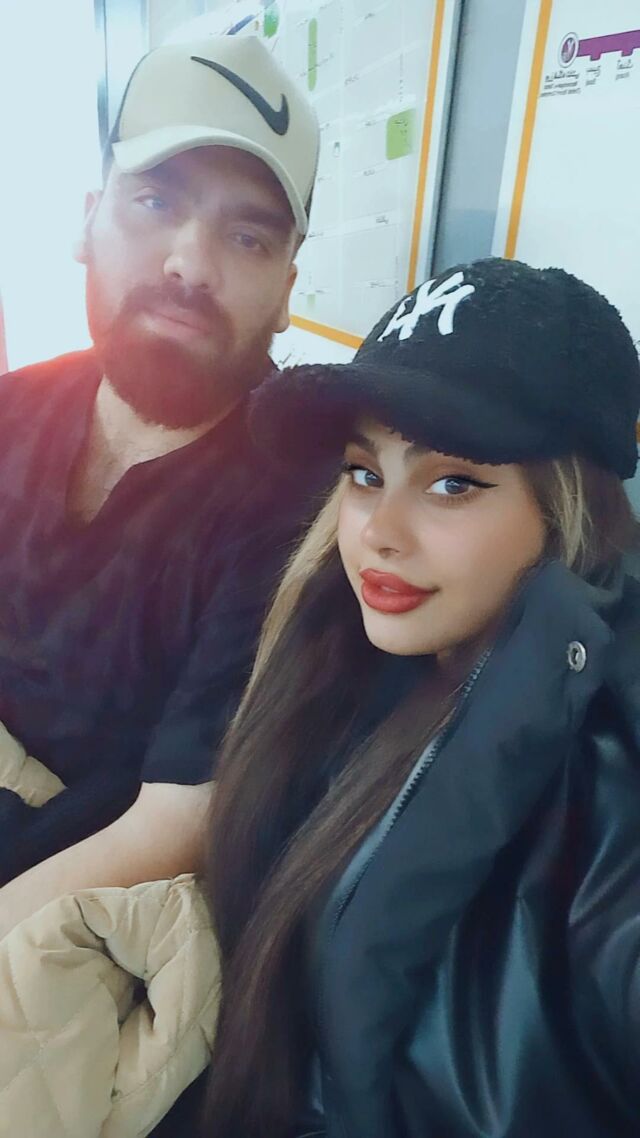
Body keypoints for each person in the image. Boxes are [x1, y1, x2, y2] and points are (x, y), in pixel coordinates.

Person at [202, 257, 640, 1138]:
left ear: (569, 513)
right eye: (365, 473)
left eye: (451, 483)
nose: (380, 533)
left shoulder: (604, 780)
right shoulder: (339, 660)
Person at [0, 35, 321, 934]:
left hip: (71, 899)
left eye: (247, 235)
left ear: (286, 288)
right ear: (88, 220)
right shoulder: (13, 408)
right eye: (156, 200)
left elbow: (177, 822)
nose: (190, 263)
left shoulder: (295, 502)